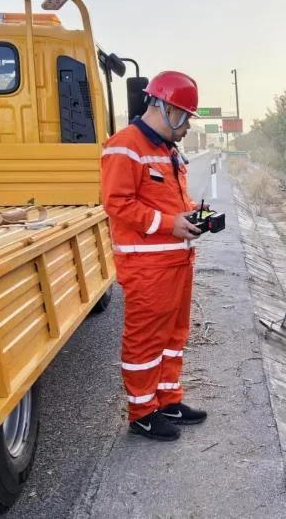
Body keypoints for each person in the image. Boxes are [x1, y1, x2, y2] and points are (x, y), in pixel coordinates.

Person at [100, 71, 208, 441]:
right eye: (186, 117)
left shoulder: (167, 150)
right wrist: (169, 224)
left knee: (174, 335)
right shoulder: (125, 146)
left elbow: (170, 202)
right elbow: (117, 203)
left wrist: (194, 217)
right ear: (166, 108)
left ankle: (167, 400)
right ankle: (143, 412)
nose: (188, 126)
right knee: (146, 339)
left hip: (177, 262)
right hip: (148, 267)